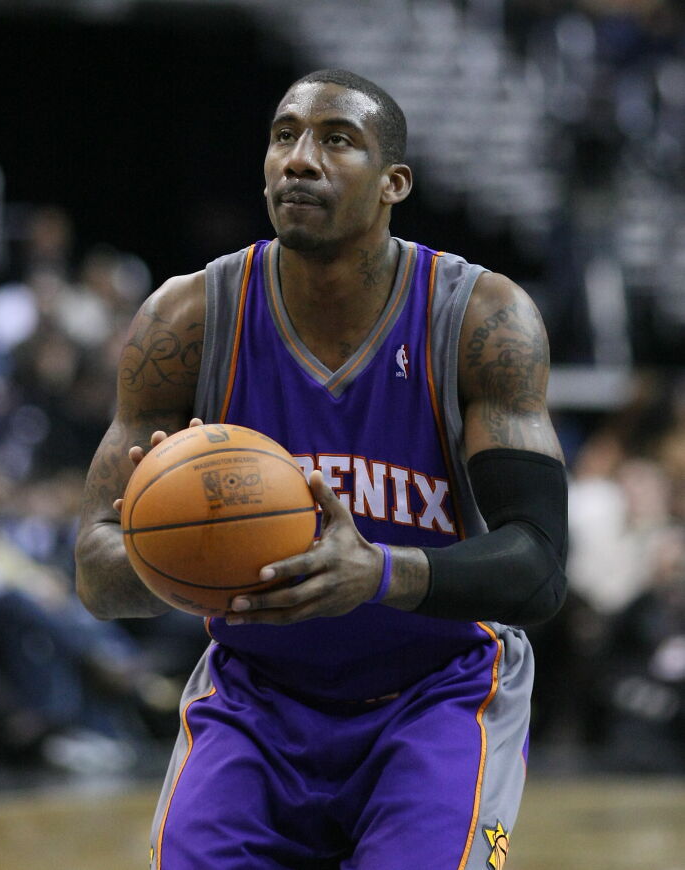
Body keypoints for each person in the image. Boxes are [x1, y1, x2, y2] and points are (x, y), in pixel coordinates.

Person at [75, 69, 568, 870]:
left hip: (438, 693)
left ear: (392, 184)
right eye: (283, 136)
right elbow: (96, 573)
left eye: (336, 139)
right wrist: (180, 552)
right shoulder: (186, 319)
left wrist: (377, 573)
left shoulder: (483, 318)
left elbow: (540, 569)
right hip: (256, 697)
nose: (298, 159)